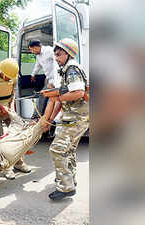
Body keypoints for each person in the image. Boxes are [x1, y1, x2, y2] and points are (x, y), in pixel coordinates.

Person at [41, 38, 89, 201]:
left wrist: (58, 96)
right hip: (75, 117)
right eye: (55, 54)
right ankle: (69, 180)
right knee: (68, 149)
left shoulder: (72, 68)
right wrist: (50, 120)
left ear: (68, 54)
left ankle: (66, 187)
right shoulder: (66, 70)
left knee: (57, 149)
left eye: (59, 54)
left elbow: (78, 92)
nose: (56, 58)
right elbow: (61, 99)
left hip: (77, 117)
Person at [0, 58, 31, 179]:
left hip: (8, 110)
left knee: (16, 137)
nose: (9, 79)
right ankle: (6, 167)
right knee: (1, 140)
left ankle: (19, 163)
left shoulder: (12, 76)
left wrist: (10, 107)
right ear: (1, 72)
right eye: (7, 77)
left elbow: (13, 93)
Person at [29, 39, 59, 118]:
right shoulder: (38, 56)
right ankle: (37, 116)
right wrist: (33, 75)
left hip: (56, 79)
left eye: (32, 50)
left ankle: (47, 118)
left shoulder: (49, 50)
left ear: (36, 47)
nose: (32, 52)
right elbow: (38, 65)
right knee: (42, 95)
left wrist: (55, 80)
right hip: (49, 79)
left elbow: (58, 62)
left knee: (51, 99)